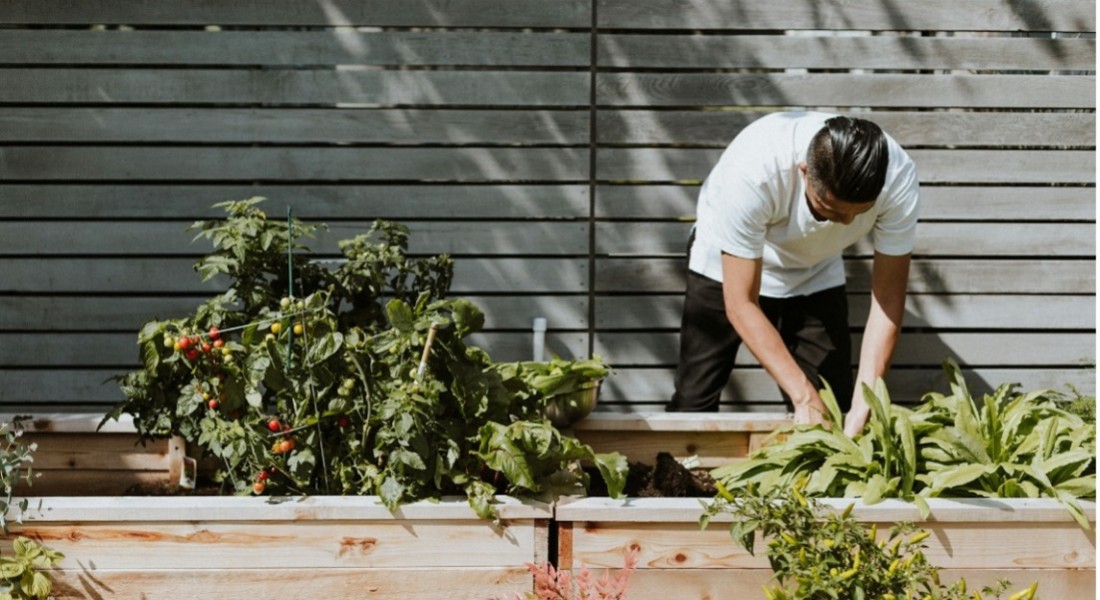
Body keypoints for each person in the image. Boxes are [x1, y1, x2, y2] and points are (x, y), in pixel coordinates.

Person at [666, 112, 920, 437]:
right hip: (724, 265)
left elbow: (887, 300)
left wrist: (864, 403)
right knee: (693, 401)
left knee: (832, 406)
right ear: (804, 172)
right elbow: (741, 303)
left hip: (815, 269)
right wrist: (802, 395)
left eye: (859, 214)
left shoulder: (897, 178)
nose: (845, 223)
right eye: (828, 210)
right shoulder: (754, 172)